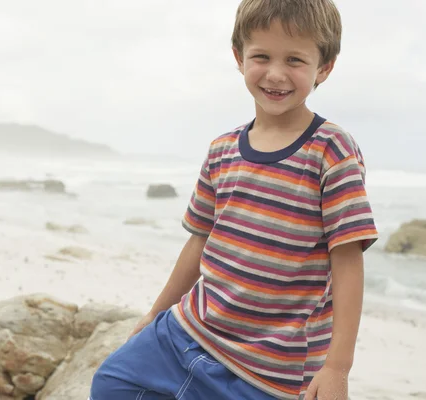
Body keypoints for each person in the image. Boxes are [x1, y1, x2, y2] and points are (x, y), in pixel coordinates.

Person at [89, 0, 378, 398]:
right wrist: (155, 314)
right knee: (111, 382)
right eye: (262, 56)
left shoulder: (332, 150)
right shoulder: (222, 148)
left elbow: (348, 263)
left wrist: (337, 368)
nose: (276, 74)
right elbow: (198, 241)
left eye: (295, 60)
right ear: (239, 58)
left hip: (272, 364)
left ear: (324, 68)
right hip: (190, 330)